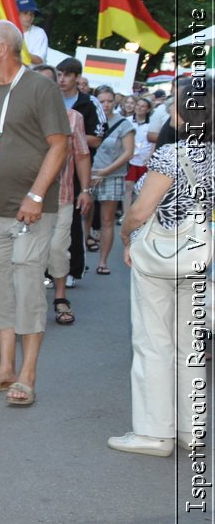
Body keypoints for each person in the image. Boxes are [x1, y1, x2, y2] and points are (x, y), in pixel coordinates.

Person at [0, 20, 72, 408]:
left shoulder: (41, 88)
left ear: (3, 48)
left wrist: (37, 195)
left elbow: (59, 146)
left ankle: (28, 374)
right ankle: (5, 367)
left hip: (32, 211)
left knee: (27, 288)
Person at [108, 77, 211, 456]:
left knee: (153, 342)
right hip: (201, 253)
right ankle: (190, 428)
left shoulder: (173, 153)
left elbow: (141, 209)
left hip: (163, 254)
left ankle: (155, 432)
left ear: (185, 114)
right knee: (190, 344)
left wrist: (126, 235)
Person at [45, 105, 92, 325]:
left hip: (62, 196)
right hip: (24, 198)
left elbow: (81, 155)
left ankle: (60, 297)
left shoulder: (73, 118)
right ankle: (30, 303)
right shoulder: (21, 111)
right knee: (29, 253)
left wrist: (85, 190)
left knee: (57, 248)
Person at [90, 86, 136, 276]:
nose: (106, 105)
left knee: (107, 220)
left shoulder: (123, 124)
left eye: (109, 101)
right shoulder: (87, 120)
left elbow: (128, 152)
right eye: (102, 101)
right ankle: (79, 260)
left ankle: (102, 261)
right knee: (83, 217)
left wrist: (105, 171)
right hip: (87, 174)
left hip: (112, 176)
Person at [17, 0, 50, 64]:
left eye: (32, 14)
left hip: (32, 74)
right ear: (16, 14)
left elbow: (39, 60)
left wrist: (15, 52)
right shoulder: (8, 31)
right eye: (25, 13)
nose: (29, 17)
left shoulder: (39, 33)